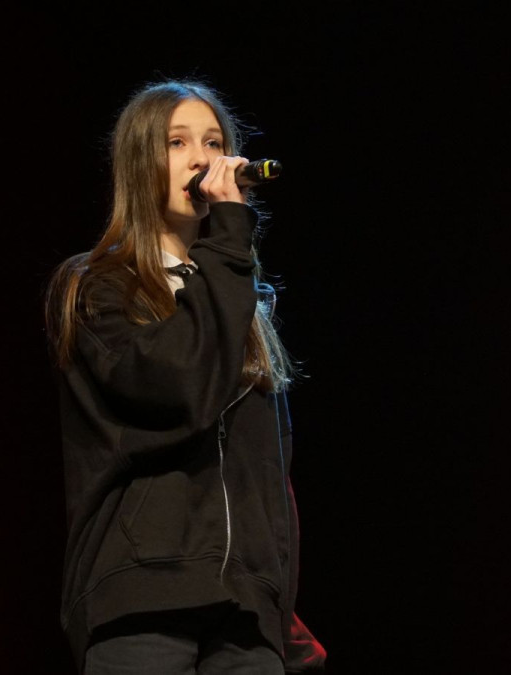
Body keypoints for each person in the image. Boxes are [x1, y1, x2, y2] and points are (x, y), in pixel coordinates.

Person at [45, 80, 326, 674]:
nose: (203, 159)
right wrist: (228, 243)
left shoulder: (245, 305)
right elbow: (178, 386)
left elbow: (270, 473)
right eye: (177, 142)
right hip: (145, 597)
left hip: (245, 615)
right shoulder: (99, 287)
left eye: (214, 141)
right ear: (140, 160)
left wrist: (279, 605)